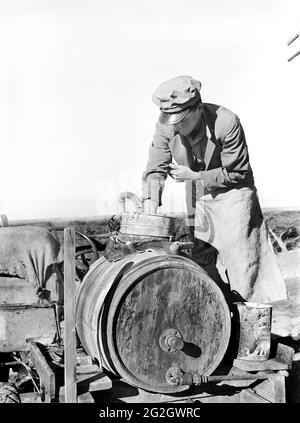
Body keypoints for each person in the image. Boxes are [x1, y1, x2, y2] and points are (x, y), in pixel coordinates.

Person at [141, 75, 287, 305]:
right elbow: (155, 169)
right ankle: (217, 318)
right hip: (196, 192)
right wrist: (150, 211)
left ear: (198, 108)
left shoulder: (226, 122)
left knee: (242, 261)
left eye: (181, 119)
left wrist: (197, 176)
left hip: (234, 191)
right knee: (201, 257)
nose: (176, 126)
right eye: (171, 120)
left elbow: (237, 172)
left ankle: (248, 324)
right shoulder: (166, 127)